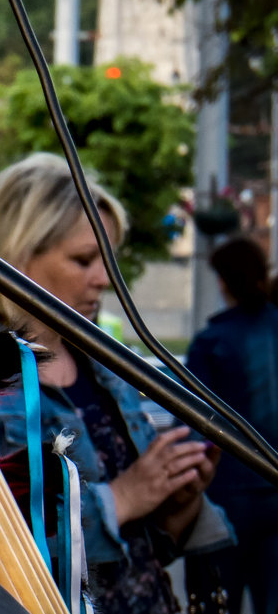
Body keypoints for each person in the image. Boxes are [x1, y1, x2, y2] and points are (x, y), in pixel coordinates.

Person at [0, 153, 232, 614]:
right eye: (84, 259)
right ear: (15, 253)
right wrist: (122, 498)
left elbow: (144, 550)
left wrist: (176, 500)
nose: (103, 279)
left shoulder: (105, 368)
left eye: (107, 258)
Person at [187, 237, 278, 614]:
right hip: (274, 493)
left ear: (223, 282)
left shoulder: (211, 343)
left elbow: (194, 425)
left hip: (224, 496)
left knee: (216, 604)